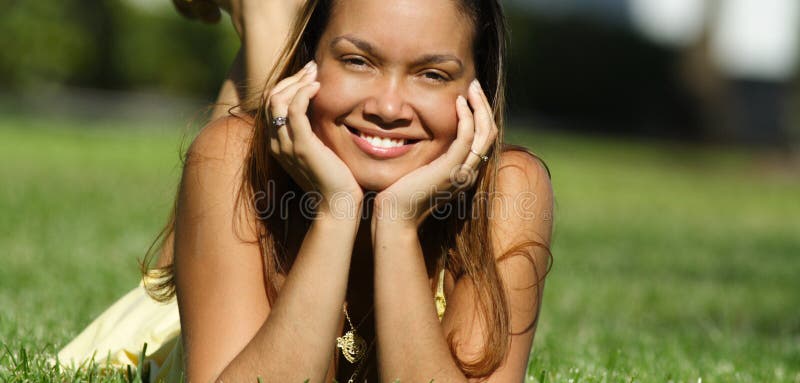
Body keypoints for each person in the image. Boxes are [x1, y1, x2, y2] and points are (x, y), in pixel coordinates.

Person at [59, 0, 554, 382]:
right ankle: (265, 15)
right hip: (171, 323)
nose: (389, 106)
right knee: (231, 161)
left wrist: (398, 226)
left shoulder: (509, 189)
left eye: (432, 74)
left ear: (478, 90)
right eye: (358, 61)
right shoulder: (225, 157)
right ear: (308, 59)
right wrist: (337, 212)